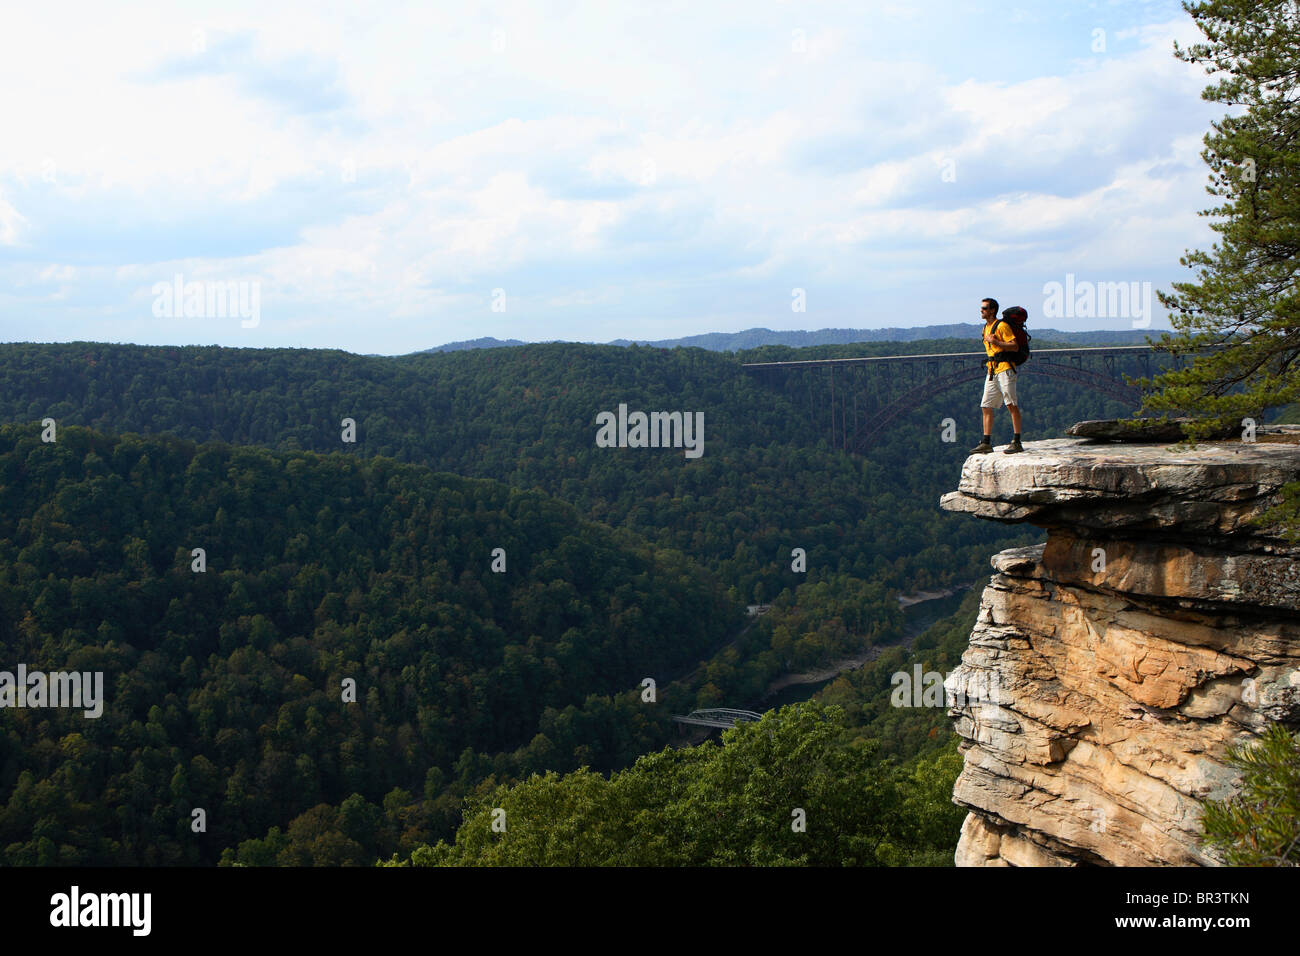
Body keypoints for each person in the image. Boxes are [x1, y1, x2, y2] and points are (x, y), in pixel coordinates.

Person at [969, 299, 1023, 454]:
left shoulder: (1002, 326)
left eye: (984, 308)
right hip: (992, 371)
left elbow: (1014, 346)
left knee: (1011, 405)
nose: (981, 311)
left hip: (1005, 369)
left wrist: (996, 342)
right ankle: (986, 442)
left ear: (992, 310)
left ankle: (1017, 441)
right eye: (981, 308)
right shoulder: (985, 328)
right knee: (986, 406)